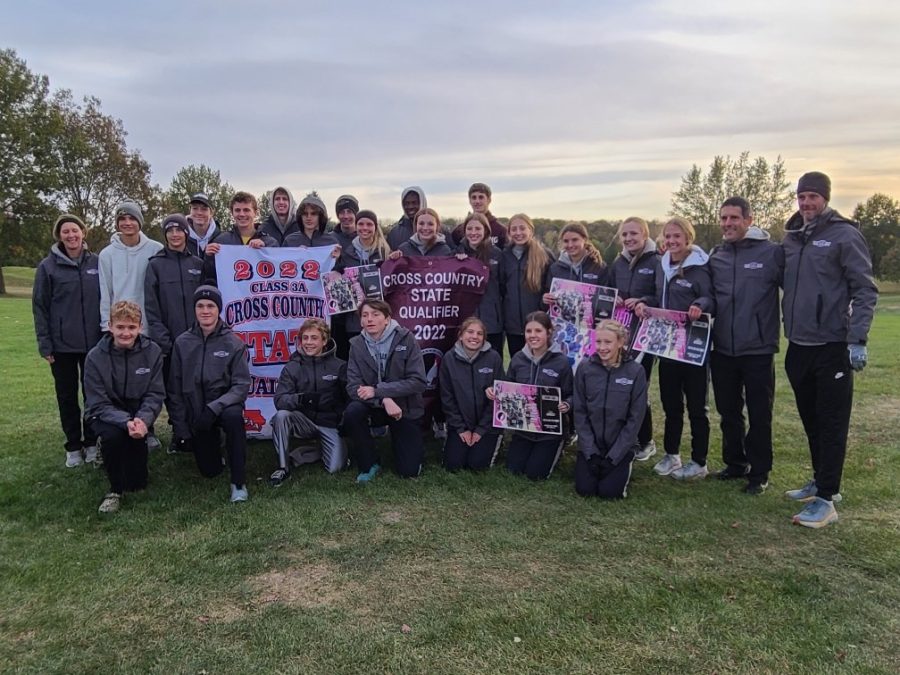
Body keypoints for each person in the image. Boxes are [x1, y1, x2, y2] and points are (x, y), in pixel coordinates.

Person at [781, 172, 877, 528]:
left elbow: (864, 290)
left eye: (813, 197)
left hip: (833, 345)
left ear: (826, 198)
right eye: (802, 196)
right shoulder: (791, 238)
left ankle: (826, 500)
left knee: (832, 422)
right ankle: (820, 480)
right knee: (812, 421)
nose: (807, 203)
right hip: (799, 345)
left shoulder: (844, 235)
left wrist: (857, 339)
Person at [708, 197, 784, 495]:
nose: (727, 224)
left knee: (759, 413)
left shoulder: (771, 253)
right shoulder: (717, 256)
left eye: (734, 218)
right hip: (722, 347)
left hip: (758, 348)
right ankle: (735, 463)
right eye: (723, 218)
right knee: (728, 411)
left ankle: (760, 472)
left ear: (749, 220)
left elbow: (796, 285)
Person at [635, 217, 714, 481]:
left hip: (693, 347)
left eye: (676, 237)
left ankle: (699, 460)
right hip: (666, 345)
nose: (671, 241)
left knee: (696, 407)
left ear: (688, 238)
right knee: (671, 405)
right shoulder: (662, 265)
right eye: (667, 237)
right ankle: (671, 454)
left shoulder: (700, 266)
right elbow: (657, 297)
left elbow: (711, 297)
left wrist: (700, 305)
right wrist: (646, 303)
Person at [168, 286, 251, 503]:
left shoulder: (234, 343)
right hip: (196, 410)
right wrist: (182, 430)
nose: (206, 311)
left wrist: (214, 408)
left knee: (234, 418)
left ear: (218, 310)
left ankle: (238, 482)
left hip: (222, 408)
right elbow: (174, 390)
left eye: (211, 306)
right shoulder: (182, 343)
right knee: (210, 471)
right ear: (194, 309)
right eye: (200, 306)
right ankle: (215, 448)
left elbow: (241, 386)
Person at [33, 214, 103, 467]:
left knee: (93, 395)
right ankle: (73, 445)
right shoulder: (47, 267)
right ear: (59, 236)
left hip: (94, 344)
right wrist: (45, 343)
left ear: (83, 233)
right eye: (66, 232)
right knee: (67, 396)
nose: (71, 235)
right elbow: (40, 307)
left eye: (75, 230)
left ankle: (91, 442)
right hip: (61, 346)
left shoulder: (97, 262)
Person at [83, 301, 165, 514]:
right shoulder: (94, 357)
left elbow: (155, 394)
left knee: (137, 484)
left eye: (131, 327)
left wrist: (143, 420)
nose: (126, 333)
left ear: (140, 327)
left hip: (137, 414)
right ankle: (114, 491)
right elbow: (97, 403)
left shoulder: (153, 351)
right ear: (110, 326)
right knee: (114, 438)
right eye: (120, 327)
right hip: (105, 414)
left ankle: (128, 468)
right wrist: (125, 422)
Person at [344, 299, 427, 482]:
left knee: (409, 471)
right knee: (353, 412)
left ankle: (409, 450)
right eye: (365, 315)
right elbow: (352, 387)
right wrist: (382, 399)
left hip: (404, 406)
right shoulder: (356, 345)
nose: (370, 319)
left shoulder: (406, 338)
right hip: (374, 406)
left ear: (387, 319)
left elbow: (419, 381)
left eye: (375, 314)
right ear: (360, 321)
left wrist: (379, 390)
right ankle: (369, 462)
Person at [488, 311, 573, 480]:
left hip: (550, 431)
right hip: (524, 430)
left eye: (538, 331)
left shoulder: (561, 361)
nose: (532, 335)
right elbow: (508, 387)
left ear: (549, 332)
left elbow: (572, 394)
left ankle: (558, 446)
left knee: (536, 474)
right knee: (514, 469)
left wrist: (567, 404)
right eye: (528, 331)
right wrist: (495, 392)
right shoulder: (518, 358)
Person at [573, 320, 648, 499]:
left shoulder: (636, 371)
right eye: (598, 342)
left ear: (621, 342)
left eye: (608, 342)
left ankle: (622, 465)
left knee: (609, 493)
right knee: (585, 490)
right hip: (592, 445)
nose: (602, 347)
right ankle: (588, 460)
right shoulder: (584, 368)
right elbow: (580, 412)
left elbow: (635, 419)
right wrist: (590, 452)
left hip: (620, 446)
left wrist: (614, 457)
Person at [269, 318, 348, 485]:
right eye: (305, 338)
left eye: (314, 338)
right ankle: (283, 468)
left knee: (336, 468)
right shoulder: (292, 367)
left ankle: (309, 453)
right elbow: (280, 400)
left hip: (329, 423)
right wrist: (300, 399)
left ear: (324, 341)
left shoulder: (340, 366)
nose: (309, 342)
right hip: (304, 421)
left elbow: (349, 398)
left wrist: (341, 417)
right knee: (281, 416)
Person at [606, 217, 659, 461]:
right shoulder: (618, 262)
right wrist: (615, 298)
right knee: (619, 388)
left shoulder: (657, 260)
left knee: (639, 389)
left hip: (645, 337)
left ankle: (646, 440)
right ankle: (623, 435)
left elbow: (661, 296)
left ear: (645, 234)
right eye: (624, 235)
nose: (628, 239)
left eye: (633, 234)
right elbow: (609, 291)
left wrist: (643, 301)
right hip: (620, 336)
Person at [439, 317, 504, 471]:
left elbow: (499, 398)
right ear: (460, 335)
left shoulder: (493, 358)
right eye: (470, 332)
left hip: (487, 425)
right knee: (453, 465)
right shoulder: (449, 359)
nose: (474, 337)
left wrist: (481, 430)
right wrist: (461, 428)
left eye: (479, 334)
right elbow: (447, 398)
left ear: (484, 338)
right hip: (461, 423)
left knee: (477, 466)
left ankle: (493, 442)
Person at [144, 214, 204, 360]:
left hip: (197, 342)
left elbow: (205, 304)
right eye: (170, 231)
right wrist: (164, 342)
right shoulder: (155, 265)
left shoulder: (197, 264)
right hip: (168, 347)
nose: (174, 235)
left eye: (179, 230)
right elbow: (152, 309)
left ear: (186, 233)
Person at [98, 201, 163, 333]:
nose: (127, 223)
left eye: (132, 218)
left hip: (149, 327)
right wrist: (106, 326)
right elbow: (105, 293)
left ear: (139, 221)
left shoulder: (156, 249)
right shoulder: (106, 254)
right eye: (122, 219)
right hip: (120, 329)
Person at [335, 209, 391, 357]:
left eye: (369, 224)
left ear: (375, 227)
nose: (364, 228)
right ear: (356, 225)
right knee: (357, 358)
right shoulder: (346, 253)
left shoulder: (385, 252)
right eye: (361, 224)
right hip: (354, 320)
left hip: (379, 320)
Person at [500, 214, 554, 355]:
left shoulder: (544, 255)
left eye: (522, 228)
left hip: (538, 325)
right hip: (513, 327)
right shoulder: (504, 256)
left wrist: (543, 304)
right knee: (519, 367)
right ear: (509, 232)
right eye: (514, 229)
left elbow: (553, 285)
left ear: (531, 230)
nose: (518, 233)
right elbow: (501, 288)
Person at [454, 213, 504, 356]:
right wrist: (458, 264)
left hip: (492, 322)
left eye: (478, 229)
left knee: (493, 362)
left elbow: (503, 287)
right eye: (470, 229)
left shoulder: (497, 254)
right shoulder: (456, 254)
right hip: (466, 321)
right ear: (464, 231)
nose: (473, 233)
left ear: (486, 231)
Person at [202, 192, 277, 286]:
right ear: (232, 213)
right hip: (232, 298)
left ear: (255, 213)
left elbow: (277, 276)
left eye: (246, 210)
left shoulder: (269, 242)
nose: (242, 214)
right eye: (237, 210)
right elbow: (211, 277)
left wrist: (265, 249)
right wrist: (209, 257)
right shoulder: (221, 241)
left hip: (259, 297)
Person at [542, 222, 608, 302]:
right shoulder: (555, 269)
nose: (570, 245)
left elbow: (606, 298)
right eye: (566, 241)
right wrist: (545, 299)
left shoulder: (599, 266)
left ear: (585, 239)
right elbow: (547, 300)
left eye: (575, 240)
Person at [450, 182, 508, 249]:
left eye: (481, 197)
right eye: (474, 198)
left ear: (489, 200)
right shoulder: (459, 231)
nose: (477, 201)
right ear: (470, 201)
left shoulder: (500, 230)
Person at [386, 186, 427, 251]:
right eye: (406, 203)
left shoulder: (440, 231)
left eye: (414, 203)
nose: (410, 207)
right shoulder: (394, 233)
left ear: (422, 203)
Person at [186, 193, 220, 259]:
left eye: (204, 209)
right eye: (195, 208)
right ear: (190, 210)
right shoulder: (181, 238)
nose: (199, 213)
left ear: (211, 213)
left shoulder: (221, 239)